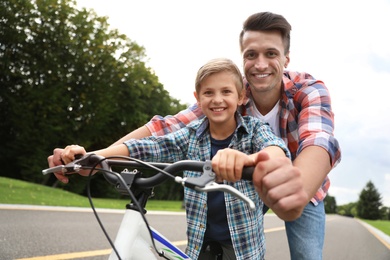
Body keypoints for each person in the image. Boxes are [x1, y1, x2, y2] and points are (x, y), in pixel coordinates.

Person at [49, 12, 341, 259]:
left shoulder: (308, 90)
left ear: (286, 58)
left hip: (301, 183)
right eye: (251, 55)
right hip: (241, 185)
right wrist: (95, 157)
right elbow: (164, 130)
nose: (261, 64)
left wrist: (294, 188)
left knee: (306, 254)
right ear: (243, 59)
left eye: (271, 54)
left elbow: (318, 141)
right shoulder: (231, 96)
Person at [57, 58, 303, 260]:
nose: (217, 99)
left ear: (240, 97)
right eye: (209, 92)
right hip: (199, 246)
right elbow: (146, 147)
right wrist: (92, 157)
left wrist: (248, 160)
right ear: (198, 98)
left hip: (244, 249)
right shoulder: (190, 135)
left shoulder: (254, 130)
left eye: (226, 91)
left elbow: (275, 148)